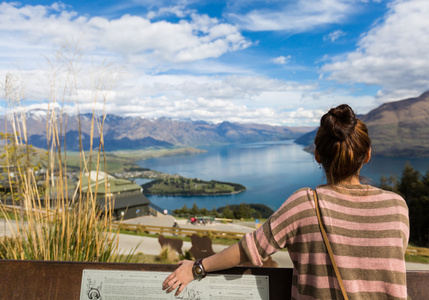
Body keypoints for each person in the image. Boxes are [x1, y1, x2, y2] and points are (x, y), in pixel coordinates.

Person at [162, 104, 409, 299]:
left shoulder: (305, 204)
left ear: (317, 156)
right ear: (367, 156)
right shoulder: (397, 206)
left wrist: (197, 268)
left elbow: (249, 250)